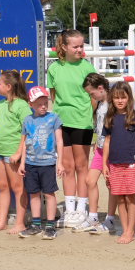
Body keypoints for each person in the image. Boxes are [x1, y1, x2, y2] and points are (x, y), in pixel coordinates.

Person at [47, 29, 96, 228]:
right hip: (62, 122)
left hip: (82, 122)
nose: (79, 49)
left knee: (81, 166)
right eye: (75, 46)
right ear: (64, 46)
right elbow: (54, 95)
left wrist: (88, 115)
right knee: (67, 167)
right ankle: (70, 209)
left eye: (81, 46)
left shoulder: (87, 67)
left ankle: (82, 208)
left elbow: (94, 96)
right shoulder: (54, 68)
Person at [101, 82, 135, 245]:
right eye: (116, 98)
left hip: (131, 163)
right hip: (114, 163)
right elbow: (107, 141)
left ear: (129, 98)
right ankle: (126, 229)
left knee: (130, 197)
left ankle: (130, 230)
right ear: (111, 99)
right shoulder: (109, 118)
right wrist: (104, 164)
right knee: (119, 197)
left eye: (123, 97)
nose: (120, 101)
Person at [0, 70, 29, 234]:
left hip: (12, 152)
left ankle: (20, 223)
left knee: (18, 188)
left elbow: (27, 131)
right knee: (3, 186)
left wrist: (18, 152)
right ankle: (2, 222)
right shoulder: (1, 104)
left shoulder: (22, 105)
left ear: (8, 86)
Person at [18, 86, 64, 239]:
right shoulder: (27, 120)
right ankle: (36, 224)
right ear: (31, 104)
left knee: (49, 193)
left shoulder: (54, 118)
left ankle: (50, 226)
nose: (43, 106)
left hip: (48, 163)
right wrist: (22, 163)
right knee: (34, 194)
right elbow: (25, 143)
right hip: (31, 163)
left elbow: (59, 141)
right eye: (39, 104)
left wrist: (60, 162)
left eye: (45, 103)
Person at [78, 73, 113, 235]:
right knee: (90, 180)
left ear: (100, 88)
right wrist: (96, 141)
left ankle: (110, 218)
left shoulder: (112, 104)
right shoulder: (100, 103)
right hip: (100, 148)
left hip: (111, 149)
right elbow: (98, 125)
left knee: (110, 184)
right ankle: (93, 217)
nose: (91, 96)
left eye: (92, 93)